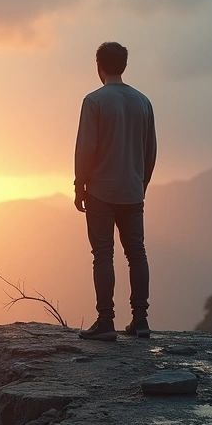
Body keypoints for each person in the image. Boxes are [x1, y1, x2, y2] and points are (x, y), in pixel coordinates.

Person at [74, 41, 157, 342]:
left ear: (99, 66)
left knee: (103, 254)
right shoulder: (143, 101)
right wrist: (141, 183)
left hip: (100, 191)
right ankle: (141, 320)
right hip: (133, 190)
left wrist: (79, 184)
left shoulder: (94, 101)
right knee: (137, 253)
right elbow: (151, 150)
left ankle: (106, 321)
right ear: (124, 65)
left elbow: (86, 148)